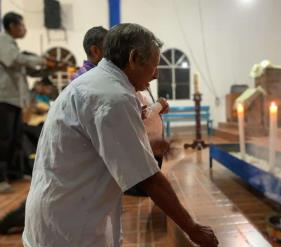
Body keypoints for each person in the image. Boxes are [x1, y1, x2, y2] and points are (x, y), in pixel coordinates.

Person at [23, 23, 218, 247]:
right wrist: (192, 228)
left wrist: (147, 146)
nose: (155, 75)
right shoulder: (111, 96)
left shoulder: (99, 83)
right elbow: (148, 179)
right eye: (154, 66)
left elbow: (98, 145)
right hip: (69, 226)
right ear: (134, 58)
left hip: (63, 212)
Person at [0, 12, 52, 192]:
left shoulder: (12, 45)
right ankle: (0, 179)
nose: (24, 29)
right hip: (4, 99)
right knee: (4, 139)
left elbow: (29, 72)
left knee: (15, 138)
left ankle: (13, 174)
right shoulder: (3, 41)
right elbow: (15, 60)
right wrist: (41, 60)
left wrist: (47, 69)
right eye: (22, 25)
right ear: (12, 26)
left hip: (15, 101)